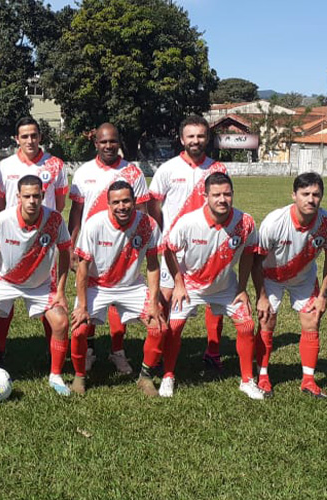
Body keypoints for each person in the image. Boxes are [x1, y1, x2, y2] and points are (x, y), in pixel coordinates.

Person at [162, 172, 265, 400]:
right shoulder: (189, 222)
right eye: (216, 194)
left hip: (226, 287)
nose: (222, 199)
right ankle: (168, 375)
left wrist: (241, 287)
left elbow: (249, 253)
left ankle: (247, 380)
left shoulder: (245, 222)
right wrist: (178, 284)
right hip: (190, 285)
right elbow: (168, 248)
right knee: (174, 328)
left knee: (247, 326)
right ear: (205, 195)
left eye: (227, 194)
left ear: (233, 195)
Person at [0, 175, 73, 395]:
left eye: (36, 196)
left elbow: (65, 253)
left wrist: (60, 291)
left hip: (40, 284)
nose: (32, 201)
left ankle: (55, 376)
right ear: (18, 197)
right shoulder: (2, 220)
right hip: (4, 280)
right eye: (26, 196)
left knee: (61, 322)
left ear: (43, 196)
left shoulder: (55, 220)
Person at [252, 172, 327, 398]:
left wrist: (323, 295)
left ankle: (308, 380)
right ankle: (262, 375)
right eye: (305, 194)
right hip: (271, 276)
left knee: (312, 320)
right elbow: (255, 262)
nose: (310, 199)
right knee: (267, 319)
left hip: (303, 278)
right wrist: (261, 296)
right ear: (294, 195)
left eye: (316, 194)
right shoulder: (274, 222)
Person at [68, 123, 151, 375]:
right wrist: (72, 245)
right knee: (91, 294)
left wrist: (142, 245)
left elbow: (143, 211)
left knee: (118, 298)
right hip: (92, 246)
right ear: (96, 143)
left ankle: (118, 352)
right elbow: (76, 211)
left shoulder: (133, 172)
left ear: (119, 143)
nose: (108, 146)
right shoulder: (83, 172)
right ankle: (89, 351)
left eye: (113, 141)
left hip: (124, 247)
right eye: (103, 142)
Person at [148, 115, 229, 373]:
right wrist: (164, 235)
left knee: (214, 298)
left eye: (201, 136)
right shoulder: (168, 169)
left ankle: (213, 351)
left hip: (210, 246)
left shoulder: (218, 170)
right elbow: (154, 206)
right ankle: (161, 354)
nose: (196, 140)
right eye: (191, 136)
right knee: (166, 299)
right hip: (174, 249)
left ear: (207, 138)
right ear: (182, 139)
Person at [70, 180, 166, 395]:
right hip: (97, 285)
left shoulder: (148, 224)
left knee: (159, 327)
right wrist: (82, 305)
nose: (121, 206)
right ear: (108, 204)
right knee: (78, 330)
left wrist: (153, 302)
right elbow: (82, 267)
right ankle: (79, 377)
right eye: (116, 202)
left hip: (131, 286)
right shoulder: (94, 224)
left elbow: (152, 265)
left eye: (126, 201)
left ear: (134, 202)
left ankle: (145, 377)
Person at [0, 116, 69, 365]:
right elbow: (1, 203)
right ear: (17, 139)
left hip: (43, 243)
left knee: (49, 295)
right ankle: (0, 348)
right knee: (5, 294)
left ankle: (51, 349)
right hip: (13, 239)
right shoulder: (4, 166)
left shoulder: (56, 165)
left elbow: (59, 204)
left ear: (40, 137)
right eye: (24, 136)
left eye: (34, 135)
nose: (30, 140)